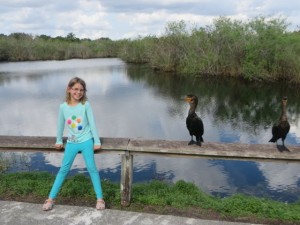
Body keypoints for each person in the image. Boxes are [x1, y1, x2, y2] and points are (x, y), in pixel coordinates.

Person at [42, 77, 105, 211]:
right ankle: (50, 198)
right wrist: (59, 140)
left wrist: (97, 141)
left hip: (87, 141)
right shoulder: (63, 107)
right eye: (75, 89)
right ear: (69, 89)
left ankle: (100, 199)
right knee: (63, 170)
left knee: (92, 169)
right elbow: (60, 125)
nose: (78, 92)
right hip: (71, 143)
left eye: (81, 90)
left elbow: (92, 123)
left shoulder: (85, 105)